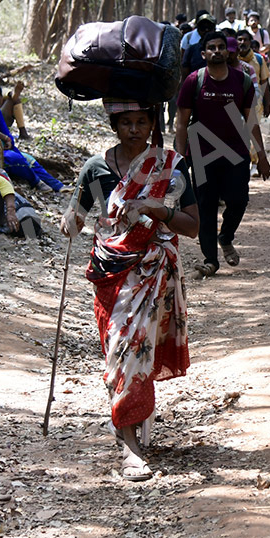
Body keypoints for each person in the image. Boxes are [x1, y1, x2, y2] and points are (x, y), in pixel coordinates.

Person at [60, 101, 200, 481]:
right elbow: (76, 214)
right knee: (119, 354)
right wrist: (71, 220)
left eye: (141, 121)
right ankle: (129, 429)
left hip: (153, 272)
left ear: (154, 123)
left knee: (131, 353)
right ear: (114, 125)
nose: (134, 129)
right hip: (109, 270)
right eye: (126, 123)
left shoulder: (172, 166)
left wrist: (155, 207)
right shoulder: (96, 167)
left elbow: (192, 226)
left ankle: (129, 444)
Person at [175, 29, 270, 277]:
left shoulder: (242, 81)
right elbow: (181, 122)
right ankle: (210, 260)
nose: (216, 51)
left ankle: (226, 236)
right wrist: (178, 159)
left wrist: (261, 157)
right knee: (205, 206)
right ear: (203, 53)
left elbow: (251, 121)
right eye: (211, 48)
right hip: (200, 151)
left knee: (239, 199)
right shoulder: (193, 81)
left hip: (235, 151)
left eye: (220, 47)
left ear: (226, 50)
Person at [0, 81, 63, 192]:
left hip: (0, 149)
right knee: (15, 158)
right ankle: (36, 182)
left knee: (28, 159)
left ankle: (58, 186)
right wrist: (5, 138)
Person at [236, 30, 270, 117]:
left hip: (255, 103)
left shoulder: (258, 59)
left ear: (250, 42)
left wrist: (267, 104)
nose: (242, 42)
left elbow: (264, 82)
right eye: (240, 40)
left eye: (245, 40)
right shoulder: (231, 59)